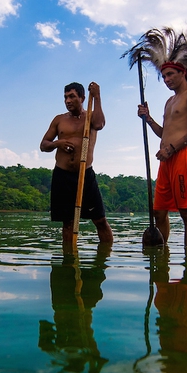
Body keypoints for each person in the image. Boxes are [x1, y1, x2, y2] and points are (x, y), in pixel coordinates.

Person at [40, 82, 113, 253]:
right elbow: (43, 145)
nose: (68, 100)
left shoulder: (91, 117)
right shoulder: (59, 119)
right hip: (62, 175)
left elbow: (100, 124)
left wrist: (97, 97)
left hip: (85, 174)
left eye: (72, 96)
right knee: (68, 222)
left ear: (82, 98)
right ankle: (68, 261)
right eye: (65, 97)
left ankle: (105, 258)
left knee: (100, 220)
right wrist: (59, 143)